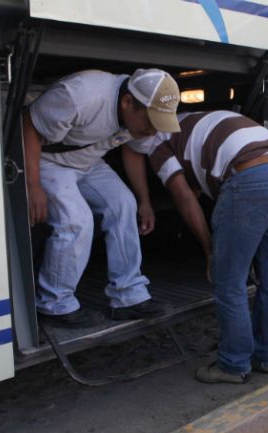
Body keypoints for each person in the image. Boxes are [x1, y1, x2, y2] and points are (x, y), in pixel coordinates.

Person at [126, 110, 268, 384]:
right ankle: (266, 357)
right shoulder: (194, 121)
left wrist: (210, 251)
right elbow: (198, 180)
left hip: (250, 179)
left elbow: (185, 198)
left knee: (229, 280)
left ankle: (233, 365)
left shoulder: (157, 145)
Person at [22, 68, 181, 326]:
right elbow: (29, 125)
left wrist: (144, 200)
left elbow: (133, 151)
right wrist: (33, 185)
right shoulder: (83, 94)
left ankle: (128, 296)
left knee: (123, 204)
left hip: (89, 163)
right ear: (127, 102)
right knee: (77, 220)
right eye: (151, 121)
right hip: (48, 161)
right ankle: (54, 303)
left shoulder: (140, 121)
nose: (154, 131)